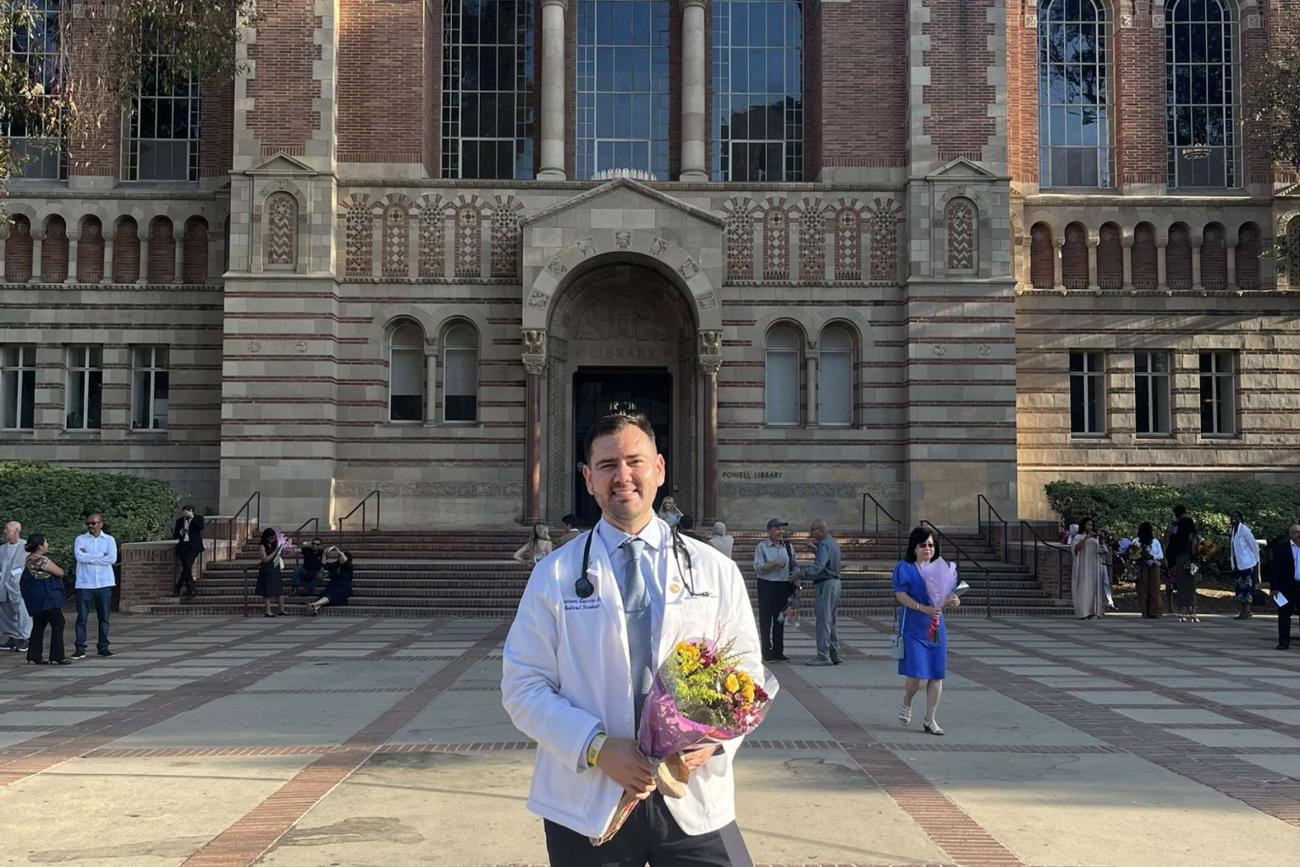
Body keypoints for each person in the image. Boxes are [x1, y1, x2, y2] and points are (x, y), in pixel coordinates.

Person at [501, 412, 761, 865]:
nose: (622, 476)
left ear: (659, 469)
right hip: (587, 799)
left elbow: (748, 673)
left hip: (690, 797)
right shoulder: (555, 574)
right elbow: (522, 686)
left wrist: (715, 741)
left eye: (634, 461)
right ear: (588, 479)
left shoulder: (714, 570)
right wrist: (596, 747)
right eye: (606, 466)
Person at [892, 526, 960, 735]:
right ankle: (907, 700)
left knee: (936, 674)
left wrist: (952, 600)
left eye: (931, 545)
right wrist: (924, 608)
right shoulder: (906, 568)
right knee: (916, 674)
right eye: (923, 545)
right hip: (914, 626)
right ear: (914, 547)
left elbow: (945, 595)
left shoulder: (941, 570)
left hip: (936, 628)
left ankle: (930, 719)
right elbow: (900, 595)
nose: (928, 549)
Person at [19, 534, 70, 665]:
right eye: (46, 542)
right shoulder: (42, 560)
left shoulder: (29, 559)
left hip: (36, 600)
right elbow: (60, 572)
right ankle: (57, 656)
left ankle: (34, 655)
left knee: (39, 625)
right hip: (48, 599)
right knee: (58, 623)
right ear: (40, 546)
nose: (47, 544)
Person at [797, 518, 842, 666]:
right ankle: (834, 653)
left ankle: (823, 655)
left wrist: (800, 573)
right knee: (831, 620)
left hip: (825, 584)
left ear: (819, 530)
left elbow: (818, 567)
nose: (810, 532)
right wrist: (816, 550)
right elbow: (828, 559)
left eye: (812, 529)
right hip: (835, 583)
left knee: (823, 620)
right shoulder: (831, 543)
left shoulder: (824, 544)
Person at [73, 512, 116, 659]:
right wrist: (99, 557)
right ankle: (80, 647)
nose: (91, 526)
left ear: (101, 524)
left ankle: (103, 646)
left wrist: (88, 556)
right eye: (88, 524)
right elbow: (79, 557)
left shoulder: (109, 540)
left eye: (93, 523)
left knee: (104, 617)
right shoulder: (80, 539)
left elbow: (111, 559)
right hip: (85, 583)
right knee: (82, 617)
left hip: (104, 583)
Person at [752, 518, 795, 662]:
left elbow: (793, 564)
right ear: (769, 531)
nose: (780, 532)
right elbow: (758, 567)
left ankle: (778, 651)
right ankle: (766, 651)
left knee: (780, 619)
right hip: (766, 585)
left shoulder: (788, 546)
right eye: (777, 529)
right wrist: (774, 564)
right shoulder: (762, 546)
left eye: (782, 529)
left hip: (782, 586)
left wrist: (795, 577)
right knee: (766, 620)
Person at [1164, 504, 1200, 622]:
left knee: (1178, 584)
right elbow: (1195, 542)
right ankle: (1192, 611)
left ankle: (1178, 609)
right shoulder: (1191, 527)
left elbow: (1166, 541)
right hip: (1190, 559)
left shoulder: (1174, 527)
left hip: (1176, 557)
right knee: (1191, 585)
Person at [1, 520, 31, 653]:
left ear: (16, 531)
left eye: (7, 529)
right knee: (5, 611)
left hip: (18, 585)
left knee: (22, 611)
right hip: (3, 584)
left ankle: (24, 637)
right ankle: (12, 636)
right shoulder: (2, 548)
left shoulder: (26, 547)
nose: (4, 532)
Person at [1269, 525, 1300, 651]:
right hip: (1286, 587)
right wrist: (1274, 587)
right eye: (1295, 532)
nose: (1298, 535)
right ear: (1290, 534)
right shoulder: (1282, 548)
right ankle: (1283, 642)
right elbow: (1275, 569)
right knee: (1284, 615)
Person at [1070, 517, 1104, 620]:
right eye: (1088, 524)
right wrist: (1086, 538)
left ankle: (1094, 611)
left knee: (1094, 587)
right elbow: (1075, 550)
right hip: (1083, 566)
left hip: (1094, 565)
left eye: (1091, 525)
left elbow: (1102, 551)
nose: (1090, 527)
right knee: (1084, 587)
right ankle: (1083, 612)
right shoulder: (1078, 537)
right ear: (1083, 526)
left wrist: (1101, 539)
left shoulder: (1095, 538)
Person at [1230, 512, 1262, 620]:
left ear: (1240, 519)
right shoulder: (1233, 531)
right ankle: (1242, 611)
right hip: (1239, 564)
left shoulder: (1245, 530)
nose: (1233, 519)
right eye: (1232, 517)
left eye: (1236, 517)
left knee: (1247, 589)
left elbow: (1254, 545)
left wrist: (1256, 561)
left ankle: (1247, 611)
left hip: (1247, 564)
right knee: (1240, 588)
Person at [172, 505, 205, 600]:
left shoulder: (198, 518)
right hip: (183, 546)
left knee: (187, 565)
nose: (185, 514)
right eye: (184, 512)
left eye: (186, 512)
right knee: (187, 568)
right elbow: (175, 535)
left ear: (191, 511)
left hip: (193, 547)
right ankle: (190, 589)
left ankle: (178, 586)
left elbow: (200, 527)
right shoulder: (180, 521)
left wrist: (192, 518)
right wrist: (180, 532)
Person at [307, 547, 354, 615]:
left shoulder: (349, 567)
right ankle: (315, 608)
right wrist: (324, 554)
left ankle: (313, 604)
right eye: (338, 557)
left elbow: (346, 560)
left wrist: (338, 550)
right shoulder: (335, 565)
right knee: (324, 595)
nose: (339, 558)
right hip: (333, 586)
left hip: (344, 587)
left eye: (340, 557)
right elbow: (324, 565)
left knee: (333, 595)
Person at [1132, 522, 1164, 619]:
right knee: (1143, 589)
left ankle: (1154, 611)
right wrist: (1140, 555)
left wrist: (1152, 556)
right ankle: (1145, 612)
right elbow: (1132, 555)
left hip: (1154, 565)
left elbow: (1161, 555)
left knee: (1154, 588)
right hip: (1142, 566)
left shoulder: (1155, 542)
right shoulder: (1136, 541)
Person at [255, 527, 287, 617]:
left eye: (274, 537)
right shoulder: (262, 546)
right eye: (271, 538)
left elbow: (279, 554)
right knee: (267, 590)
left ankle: (282, 609)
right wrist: (275, 552)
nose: (273, 539)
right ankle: (268, 610)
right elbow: (265, 559)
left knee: (279, 589)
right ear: (266, 537)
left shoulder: (275, 544)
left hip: (275, 567)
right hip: (267, 569)